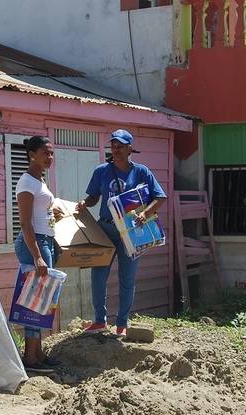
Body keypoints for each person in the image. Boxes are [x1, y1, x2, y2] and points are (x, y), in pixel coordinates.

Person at [76, 129, 166, 337]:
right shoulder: (101, 171)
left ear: (129, 149)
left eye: (120, 146)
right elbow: (93, 197)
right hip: (105, 229)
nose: (115, 150)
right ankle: (99, 321)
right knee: (98, 275)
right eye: (113, 146)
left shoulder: (142, 172)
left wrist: (145, 213)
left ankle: (122, 323)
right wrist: (84, 203)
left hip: (131, 232)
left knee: (127, 278)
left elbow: (160, 197)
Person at [14, 135, 63, 373]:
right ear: (32, 154)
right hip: (33, 244)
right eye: (45, 153)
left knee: (42, 300)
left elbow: (40, 215)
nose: (50, 157)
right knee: (34, 301)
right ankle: (30, 358)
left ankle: (38, 352)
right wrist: (37, 256)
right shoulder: (27, 182)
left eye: (52, 153)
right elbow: (25, 223)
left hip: (45, 241)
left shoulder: (40, 181)